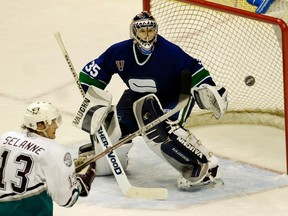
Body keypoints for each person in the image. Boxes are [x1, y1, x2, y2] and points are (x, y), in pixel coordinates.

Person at [77, 11, 228, 190]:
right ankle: (109, 157)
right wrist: (93, 96)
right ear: (134, 33)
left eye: (150, 30)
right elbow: (91, 75)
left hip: (173, 99)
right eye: (142, 31)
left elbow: (194, 69)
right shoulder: (119, 52)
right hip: (135, 98)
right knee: (113, 126)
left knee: (158, 130)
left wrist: (208, 87)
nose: (147, 35)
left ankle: (202, 163)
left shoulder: (169, 52)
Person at [0, 101, 96, 216]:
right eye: (53, 121)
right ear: (40, 125)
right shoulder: (55, 151)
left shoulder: (6, 137)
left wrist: (62, 171)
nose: (56, 125)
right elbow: (67, 200)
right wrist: (80, 183)